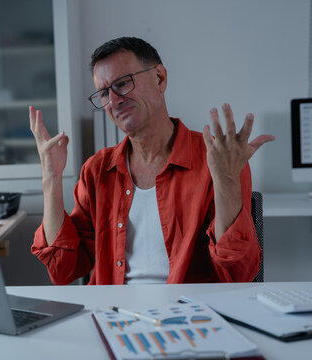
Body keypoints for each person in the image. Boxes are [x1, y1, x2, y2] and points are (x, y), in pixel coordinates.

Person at [29, 37, 275, 285]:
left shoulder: (219, 159)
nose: (114, 101)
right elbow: (63, 270)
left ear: (159, 78)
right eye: (104, 93)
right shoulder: (96, 170)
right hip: (113, 316)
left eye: (122, 83)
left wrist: (227, 182)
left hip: (190, 315)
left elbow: (238, 274)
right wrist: (51, 178)